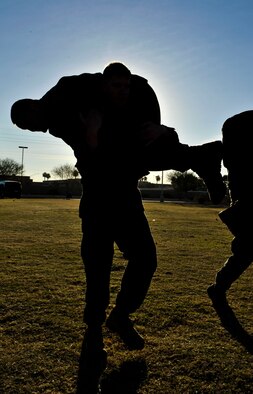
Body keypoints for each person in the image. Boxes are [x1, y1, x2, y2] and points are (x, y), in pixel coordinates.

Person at [11, 62, 226, 376]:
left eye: (31, 122)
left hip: (125, 196)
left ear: (34, 106)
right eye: (29, 130)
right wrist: (94, 136)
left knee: (145, 260)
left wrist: (163, 130)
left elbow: (133, 133)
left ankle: (121, 315)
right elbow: (94, 155)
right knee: (98, 268)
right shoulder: (64, 121)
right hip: (99, 198)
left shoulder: (70, 96)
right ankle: (94, 332)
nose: (36, 129)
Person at [207, 110, 253, 317]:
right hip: (247, 194)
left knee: (246, 250)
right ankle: (218, 288)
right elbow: (232, 161)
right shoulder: (239, 123)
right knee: (246, 248)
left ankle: (218, 288)